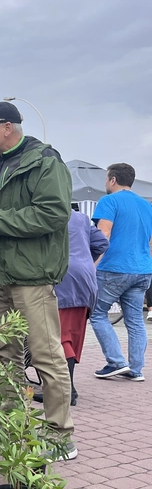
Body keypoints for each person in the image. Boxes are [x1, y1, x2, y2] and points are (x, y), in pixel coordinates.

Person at [0, 101, 77, 460]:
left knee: (46, 355)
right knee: (4, 354)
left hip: (31, 275)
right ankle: (10, 424)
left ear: (7, 126)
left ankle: (59, 435)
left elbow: (53, 213)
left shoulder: (44, 160)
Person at [34, 207, 109, 406]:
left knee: (60, 338)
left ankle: (64, 391)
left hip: (61, 278)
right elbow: (102, 242)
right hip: (86, 278)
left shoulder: (44, 214)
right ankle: (66, 388)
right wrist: (84, 259)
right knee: (73, 336)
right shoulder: (81, 218)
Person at [89, 163, 152, 382]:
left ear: (113, 180)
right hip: (142, 269)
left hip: (114, 267)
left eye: (106, 179)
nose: (105, 183)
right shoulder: (146, 206)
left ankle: (116, 362)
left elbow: (102, 235)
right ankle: (136, 369)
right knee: (135, 320)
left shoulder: (108, 201)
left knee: (97, 313)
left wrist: (92, 264)